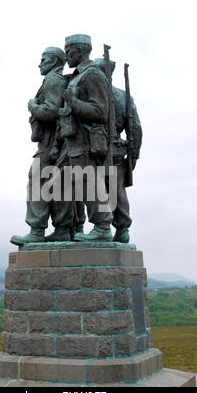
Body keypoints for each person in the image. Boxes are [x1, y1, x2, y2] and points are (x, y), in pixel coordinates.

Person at [11, 47, 73, 245]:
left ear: (54, 61)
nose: (40, 63)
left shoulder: (53, 80)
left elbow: (51, 111)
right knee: (57, 186)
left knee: (37, 181)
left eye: (43, 59)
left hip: (50, 143)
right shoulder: (56, 80)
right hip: (57, 142)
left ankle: (37, 231)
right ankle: (62, 229)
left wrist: (32, 106)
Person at [60, 34, 113, 242]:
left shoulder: (92, 75)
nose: (66, 56)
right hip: (71, 140)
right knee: (68, 182)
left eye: (69, 51)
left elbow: (102, 111)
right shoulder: (76, 76)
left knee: (88, 181)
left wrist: (74, 103)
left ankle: (102, 227)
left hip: (86, 140)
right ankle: (66, 228)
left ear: (80, 51)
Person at [94, 57, 142, 243]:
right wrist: (134, 155)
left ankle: (114, 228)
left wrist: (133, 156)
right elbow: (135, 129)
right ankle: (121, 228)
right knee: (114, 189)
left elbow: (135, 129)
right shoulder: (123, 97)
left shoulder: (95, 94)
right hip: (113, 150)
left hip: (99, 149)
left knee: (101, 189)